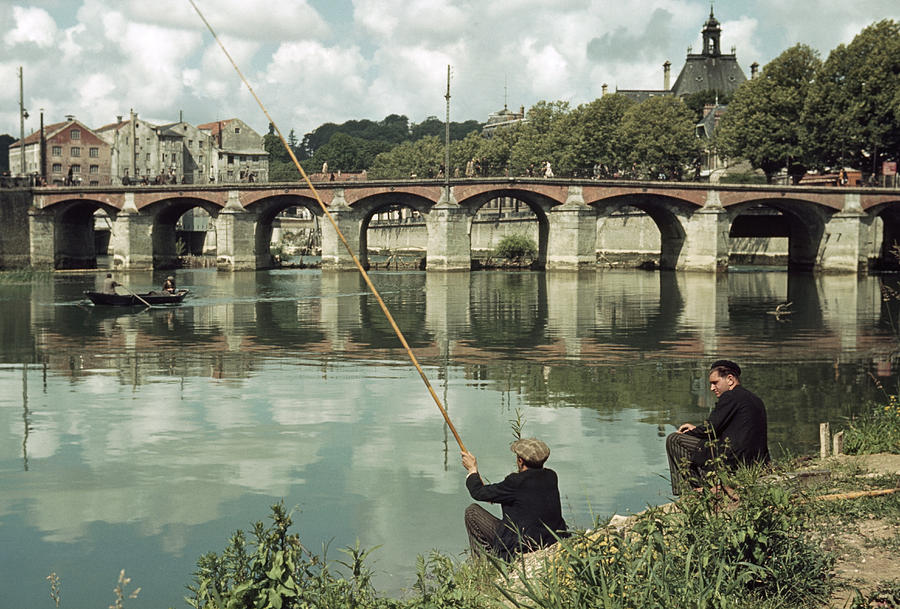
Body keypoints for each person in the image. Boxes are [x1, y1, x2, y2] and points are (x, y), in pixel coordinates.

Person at [666, 360, 770, 495]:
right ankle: (707, 484)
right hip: (755, 461)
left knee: (674, 439)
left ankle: (691, 492)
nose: (712, 388)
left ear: (730, 379)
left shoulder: (730, 396)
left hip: (734, 461)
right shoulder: (754, 399)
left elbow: (710, 428)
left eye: (715, 383)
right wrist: (695, 429)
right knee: (703, 447)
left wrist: (689, 433)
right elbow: (726, 428)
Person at [461, 438, 568, 560]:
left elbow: (478, 492)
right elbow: (522, 497)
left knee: (472, 512)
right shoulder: (551, 476)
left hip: (522, 546)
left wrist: (472, 469)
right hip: (549, 540)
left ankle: (484, 563)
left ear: (520, 461)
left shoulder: (516, 482)